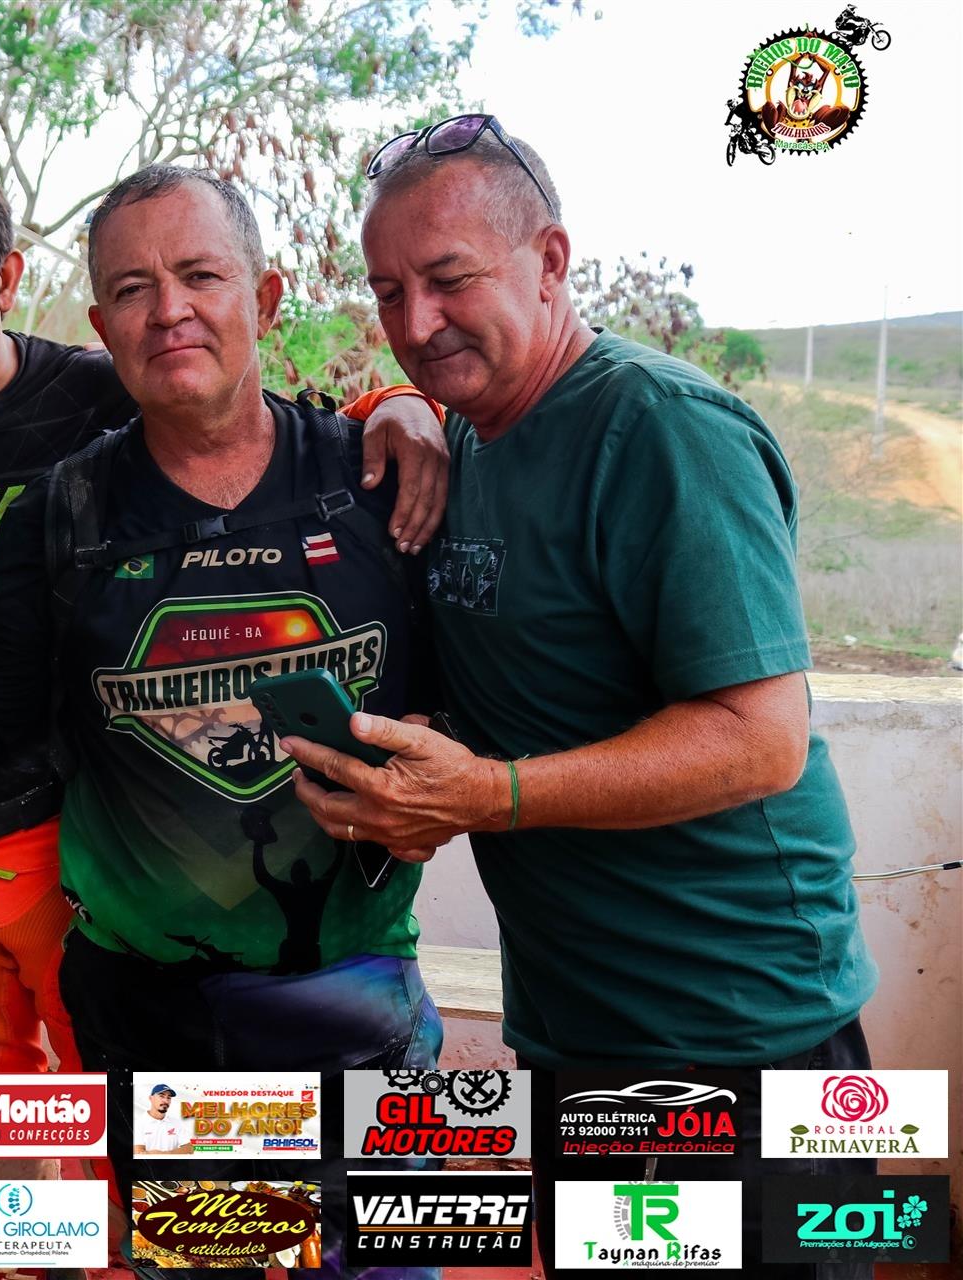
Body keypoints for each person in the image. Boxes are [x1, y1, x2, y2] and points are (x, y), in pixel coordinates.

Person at [0, 151, 446, 1188]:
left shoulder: (116, 392)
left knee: (357, 1236)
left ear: (7, 275)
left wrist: (404, 401)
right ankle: (37, 1252)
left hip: (127, 874)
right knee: (6, 1173)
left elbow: (259, 415)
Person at [296, 113, 877, 1279]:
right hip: (579, 1024)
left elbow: (759, 739)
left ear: (551, 261)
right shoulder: (472, 434)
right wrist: (395, 407)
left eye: (451, 279)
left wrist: (489, 794)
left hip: (740, 1029)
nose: (417, 322)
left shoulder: (663, 431)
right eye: (390, 291)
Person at [133, 1085, 189, 1155]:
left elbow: (189, 1148)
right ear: (151, 1098)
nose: (166, 1101)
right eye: (161, 1096)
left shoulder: (176, 1123)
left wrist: (167, 1154)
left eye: (169, 1098)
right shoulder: (138, 1123)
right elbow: (138, 1152)